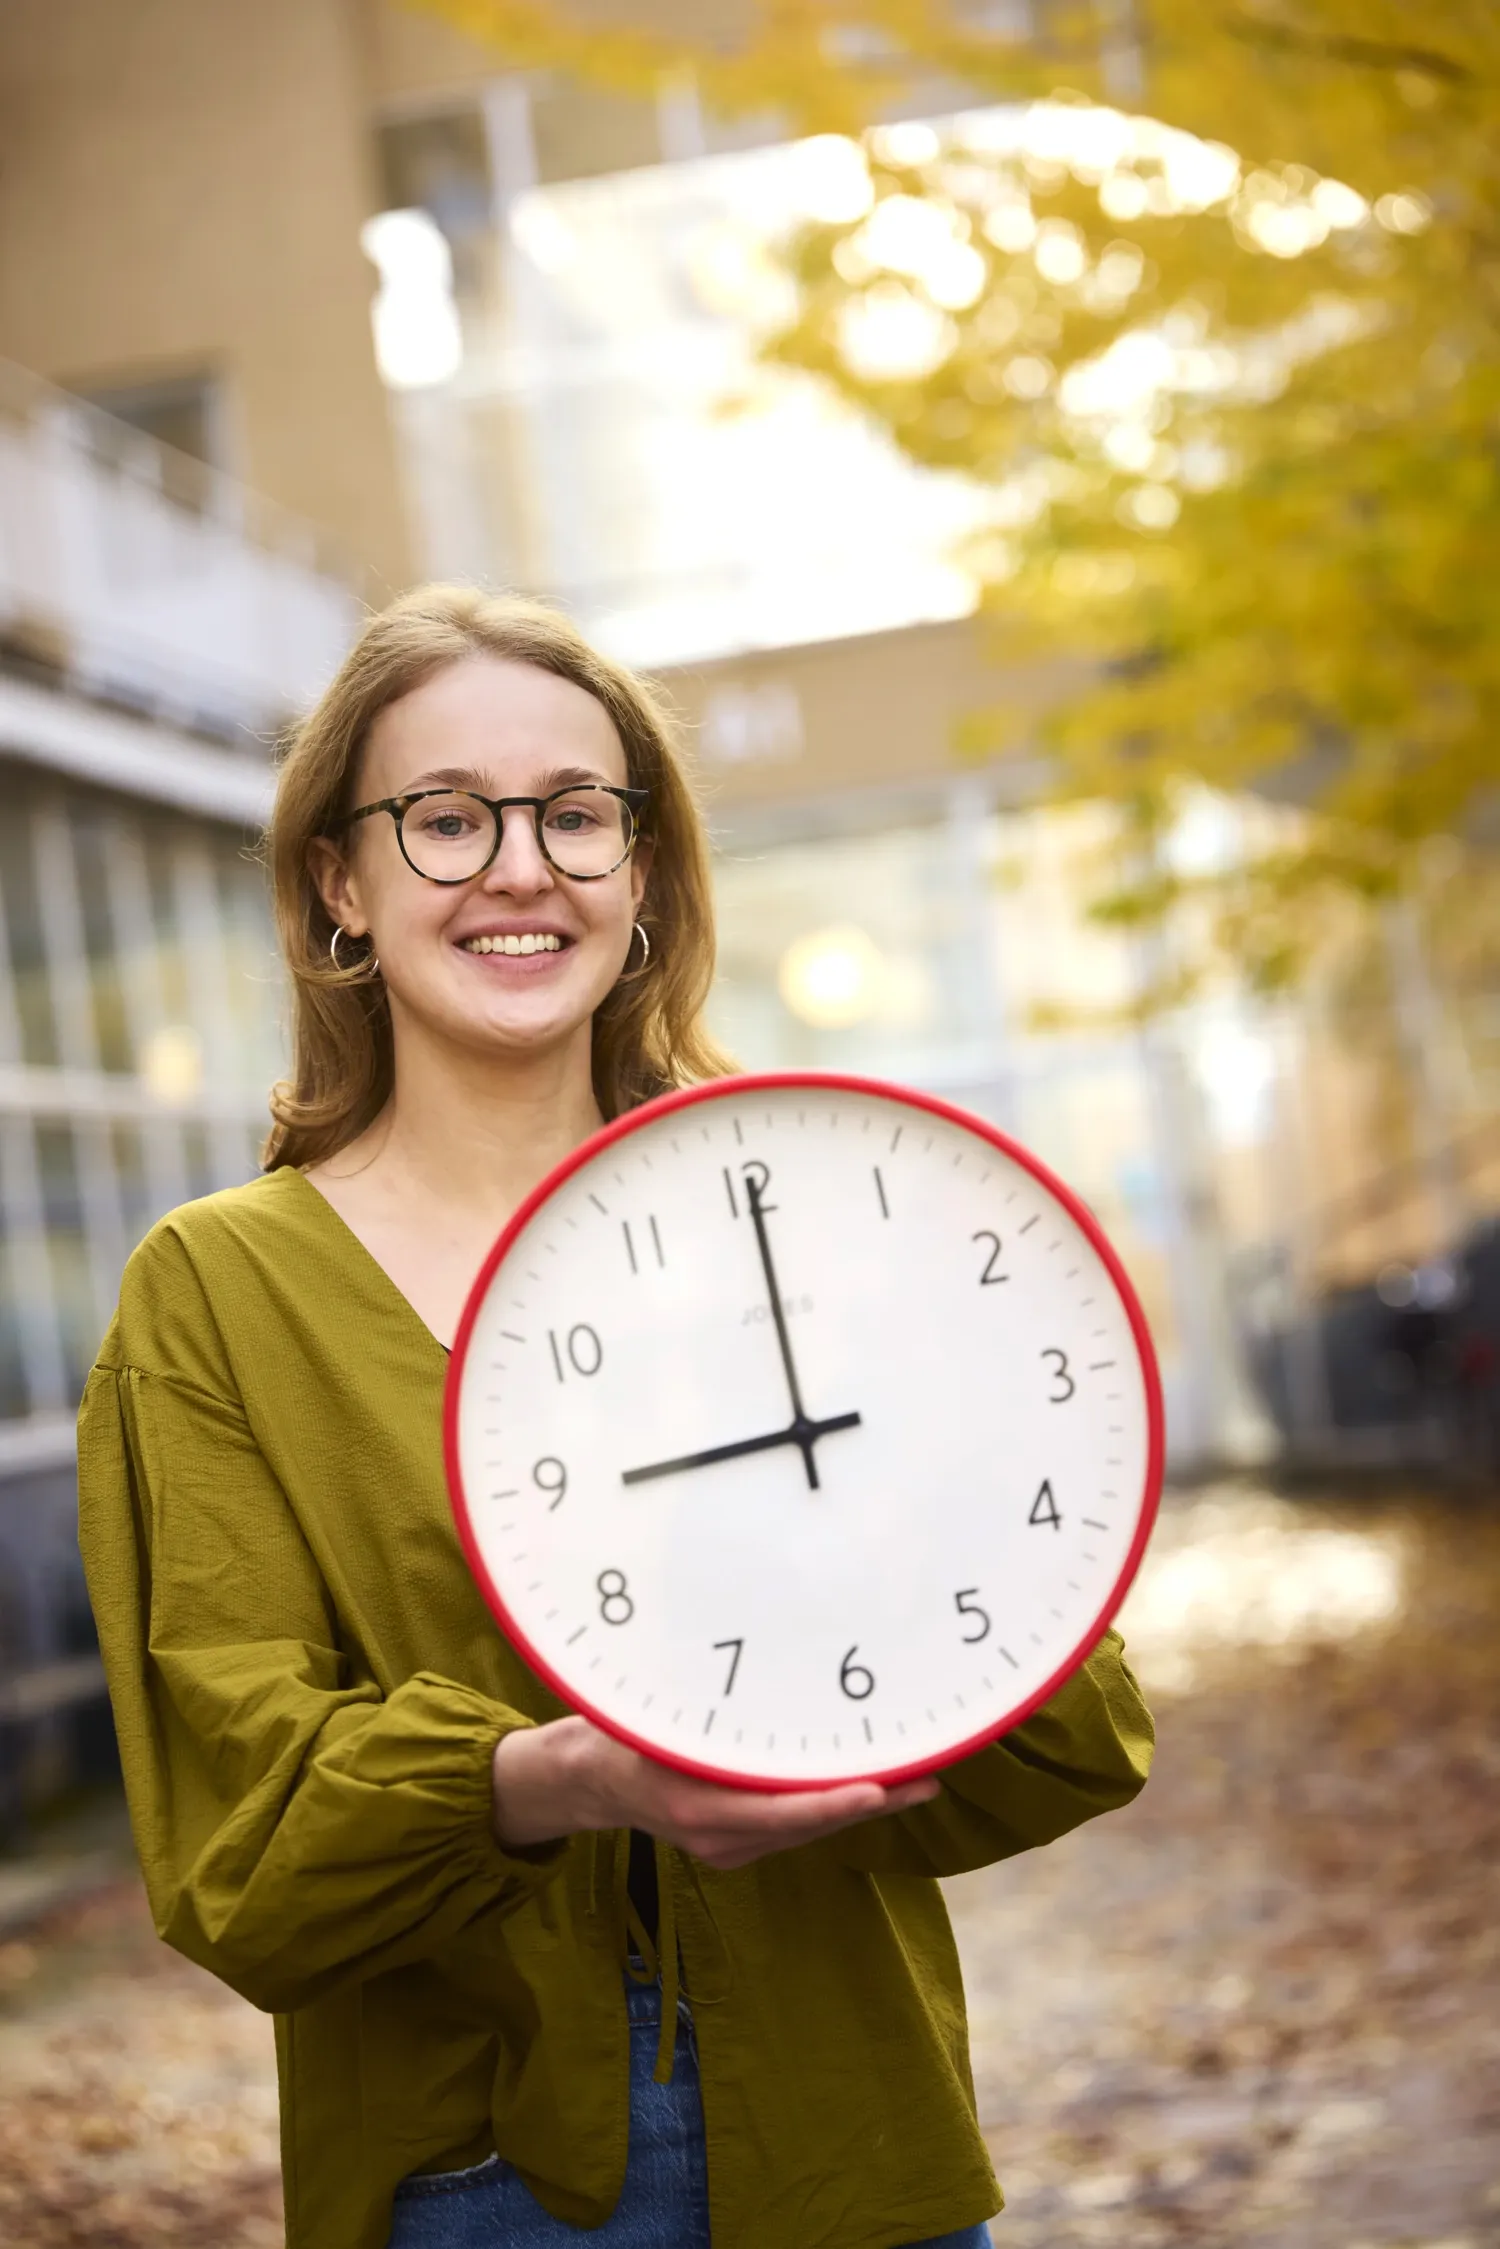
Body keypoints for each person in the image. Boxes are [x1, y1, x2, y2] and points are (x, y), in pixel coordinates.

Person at [79, 586, 1154, 2249]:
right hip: (484, 2176)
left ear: (639, 876)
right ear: (337, 883)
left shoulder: (806, 1208)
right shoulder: (217, 1297)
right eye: (448, 819)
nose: (523, 866)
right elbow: (244, 1852)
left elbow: (1063, 1716)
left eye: (578, 816)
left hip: (855, 2144)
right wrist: (565, 1778)